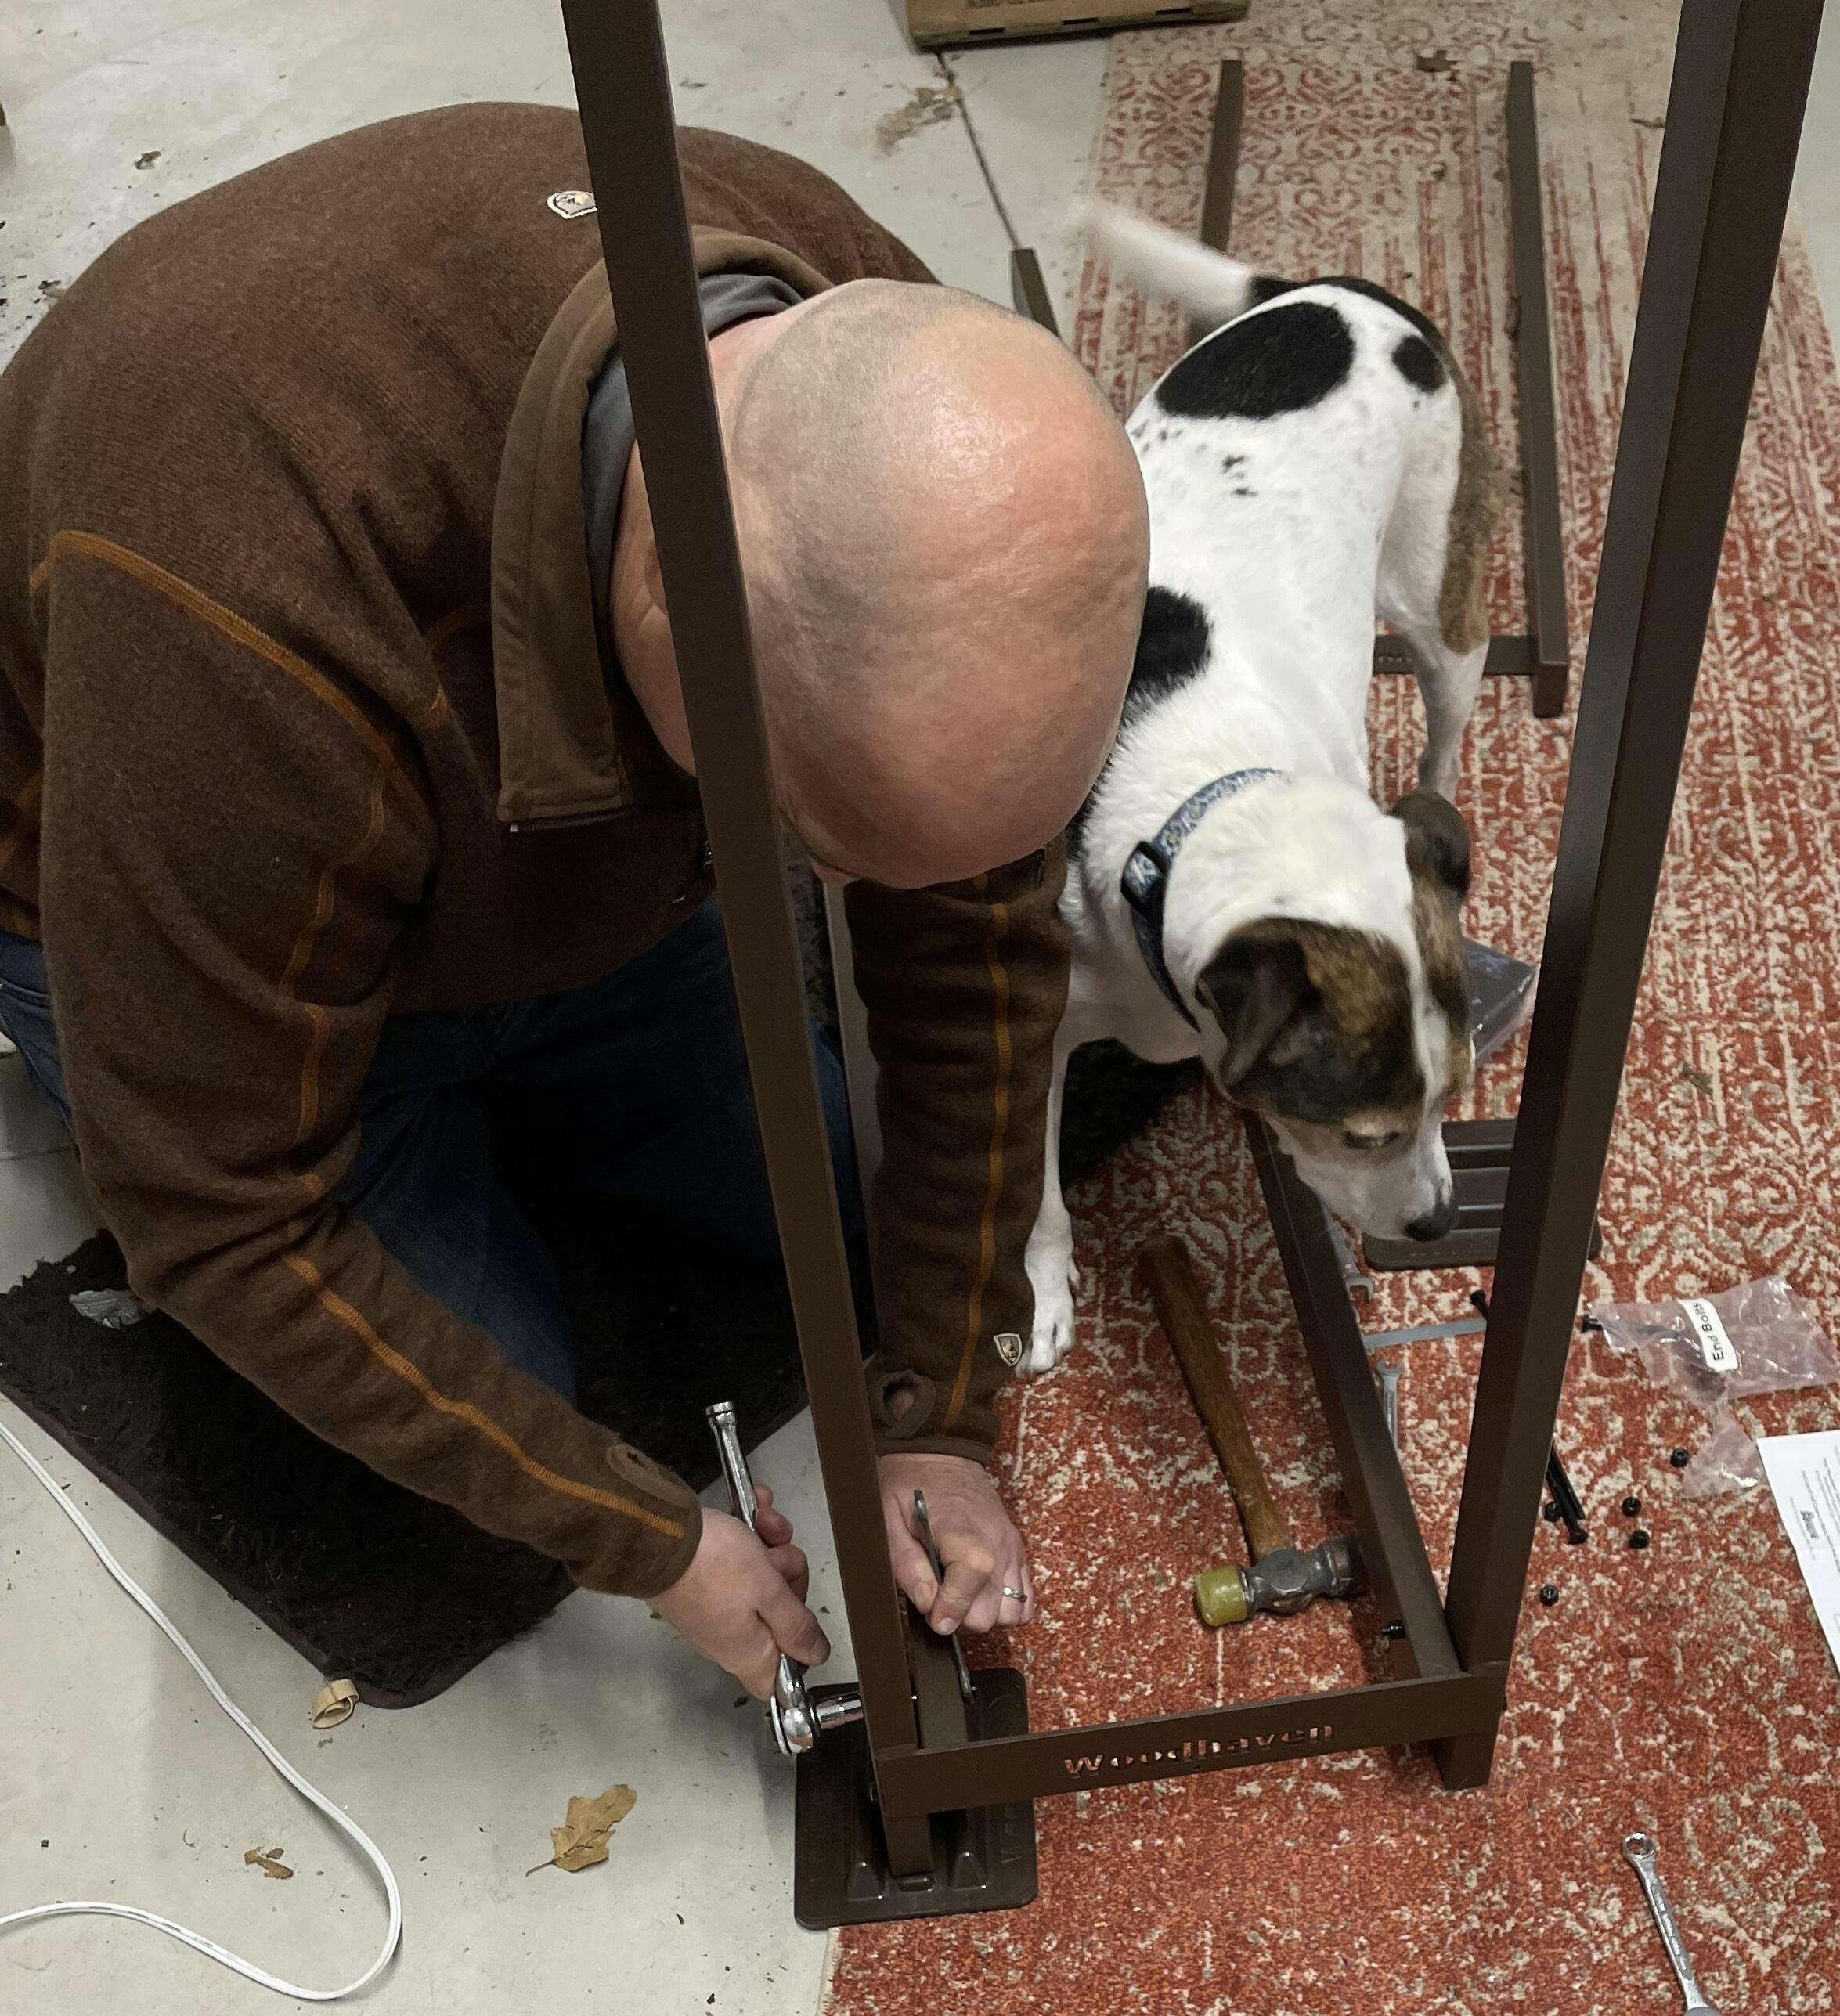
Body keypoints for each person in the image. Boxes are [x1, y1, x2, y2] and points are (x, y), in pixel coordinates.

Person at [0, 106, 1149, 1697]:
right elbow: (215, 1211)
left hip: (555, 861)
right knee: (505, 1431)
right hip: (180, 897)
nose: (850, 900)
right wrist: (649, 1540)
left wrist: (942, 1412)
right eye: (818, 845)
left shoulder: (887, 350)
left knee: (852, 1211)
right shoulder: (237, 602)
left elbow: (974, 937)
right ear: (672, 612)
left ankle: (563, 1033)